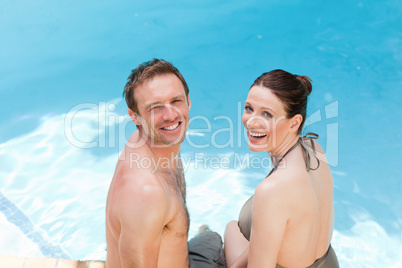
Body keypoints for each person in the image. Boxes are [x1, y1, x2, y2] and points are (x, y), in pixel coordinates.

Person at [106, 59, 224, 267]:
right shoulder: (145, 192)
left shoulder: (154, 143)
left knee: (216, 238)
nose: (170, 115)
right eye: (155, 107)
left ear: (188, 101)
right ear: (135, 117)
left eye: (176, 101)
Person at [224, 69, 339, 268]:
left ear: (294, 123)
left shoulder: (272, 191)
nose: (252, 121)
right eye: (249, 108)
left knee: (208, 241)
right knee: (232, 228)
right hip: (327, 262)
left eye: (267, 114)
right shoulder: (313, 149)